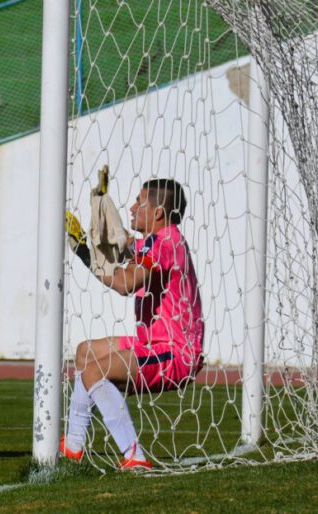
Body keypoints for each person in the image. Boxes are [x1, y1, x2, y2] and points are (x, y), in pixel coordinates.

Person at [61, 178, 204, 470]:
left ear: (158, 213)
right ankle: (73, 448)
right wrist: (92, 233)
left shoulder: (165, 242)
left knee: (95, 371)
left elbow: (125, 284)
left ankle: (134, 455)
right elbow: (123, 246)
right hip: (153, 344)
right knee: (85, 352)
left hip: (176, 353)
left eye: (140, 202)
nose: (133, 206)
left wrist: (87, 252)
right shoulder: (159, 241)